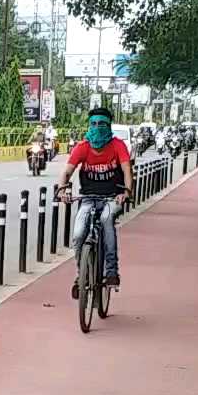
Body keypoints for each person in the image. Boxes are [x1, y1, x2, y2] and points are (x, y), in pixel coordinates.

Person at [56, 104, 134, 292]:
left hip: (112, 198)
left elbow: (126, 170)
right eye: (94, 123)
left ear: (108, 126)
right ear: (89, 126)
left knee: (107, 220)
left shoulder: (118, 146)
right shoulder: (83, 147)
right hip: (88, 198)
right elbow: (67, 172)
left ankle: (112, 272)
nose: (97, 127)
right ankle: (80, 274)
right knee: (78, 234)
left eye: (102, 123)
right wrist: (62, 189)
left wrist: (127, 192)